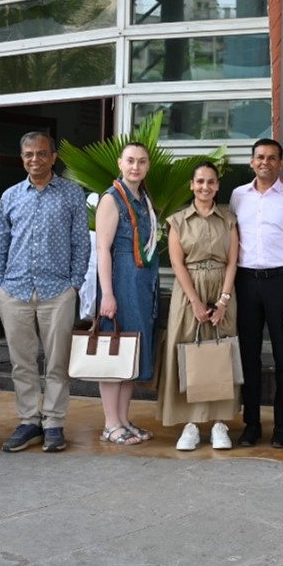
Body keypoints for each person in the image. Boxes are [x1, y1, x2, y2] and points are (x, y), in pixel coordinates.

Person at [0, 131, 91, 454]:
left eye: (42, 153)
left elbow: (81, 242)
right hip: (14, 289)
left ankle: (54, 423)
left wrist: (74, 283)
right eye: (29, 154)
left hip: (58, 290)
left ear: (53, 157)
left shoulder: (72, 194)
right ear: (22, 158)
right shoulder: (10, 196)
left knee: (57, 362)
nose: (36, 159)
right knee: (22, 362)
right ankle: (29, 421)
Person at [229, 138, 283, 448]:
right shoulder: (238, 196)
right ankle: (251, 424)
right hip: (246, 282)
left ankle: (281, 425)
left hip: (280, 282)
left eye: (272, 157)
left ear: (280, 164)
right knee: (248, 355)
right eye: (260, 157)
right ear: (252, 162)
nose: (266, 162)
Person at [162, 161, 241, 451]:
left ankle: (220, 423)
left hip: (221, 288)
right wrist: (195, 302)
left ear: (217, 186)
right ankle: (191, 424)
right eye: (200, 182)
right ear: (191, 186)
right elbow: (176, 263)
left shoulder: (228, 220)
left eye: (210, 182)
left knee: (222, 351)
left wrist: (223, 301)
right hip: (189, 291)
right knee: (187, 350)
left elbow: (232, 261)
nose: (205, 187)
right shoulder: (178, 221)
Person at [92, 142, 160, 446]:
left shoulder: (144, 197)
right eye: (130, 160)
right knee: (114, 349)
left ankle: (123, 419)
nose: (136, 166)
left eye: (142, 161)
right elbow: (102, 249)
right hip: (120, 281)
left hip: (141, 284)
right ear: (120, 163)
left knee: (132, 350)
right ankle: (110, 423)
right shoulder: (111, 198)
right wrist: (107, 293)